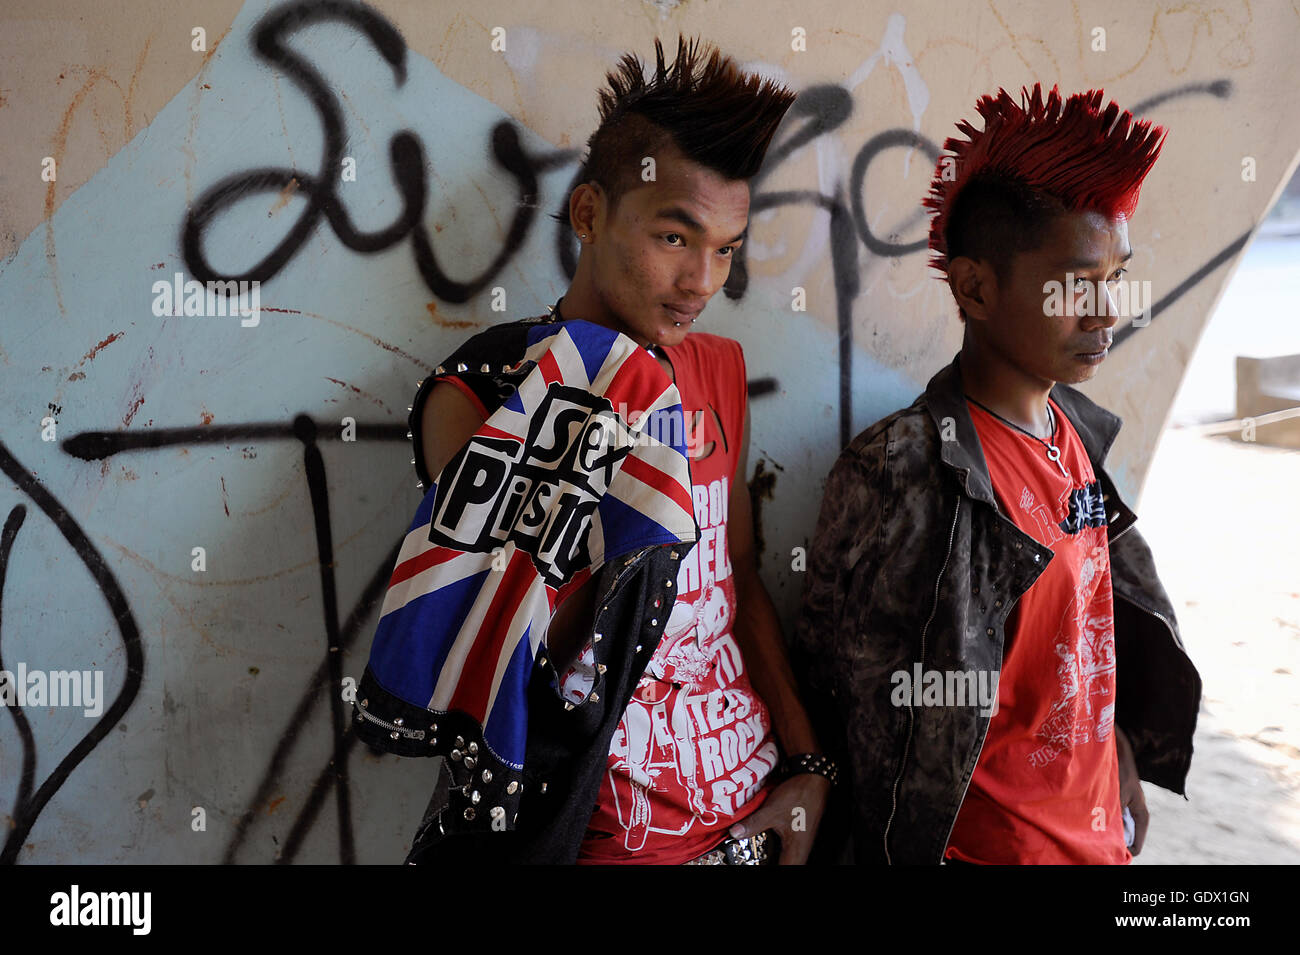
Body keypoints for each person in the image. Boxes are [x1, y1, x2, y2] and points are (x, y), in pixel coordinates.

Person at [356, 35, 834, 865]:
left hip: (755, 812)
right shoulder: (481, 391)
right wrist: (600, 410)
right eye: (675, 238)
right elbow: (517, 642)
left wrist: (809, 767)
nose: (701, 283)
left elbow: (738, 577)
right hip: (604, 833)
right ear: (589, 215)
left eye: (726, 248)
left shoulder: (719, 369)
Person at [791, 84, 1202, 865]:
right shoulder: (907, 471)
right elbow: (856, 705)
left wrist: (1112, 741)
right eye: (1076, 285)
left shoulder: (1075, 430)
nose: (1107, 312)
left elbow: (1076, 640)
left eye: (1115, 278)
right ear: (976, 287)